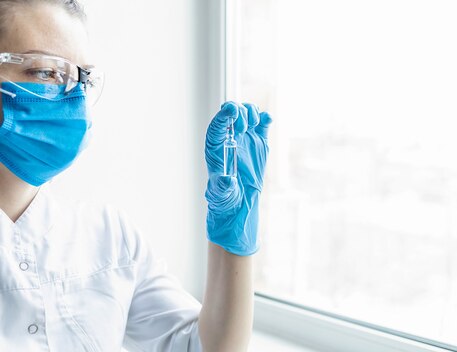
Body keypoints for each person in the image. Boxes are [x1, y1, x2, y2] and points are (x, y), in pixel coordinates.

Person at [0, 0, 272, 351]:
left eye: (82, 79)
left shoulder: (108, 236)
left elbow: (203, 346)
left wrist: (231, 236)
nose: (73, 100)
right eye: (48, 72)